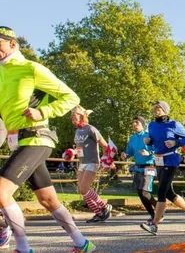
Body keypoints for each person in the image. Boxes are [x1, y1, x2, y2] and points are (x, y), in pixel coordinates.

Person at [0, 26, 95, 252]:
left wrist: (42, 112)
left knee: (1, 193)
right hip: (20, 143)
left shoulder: (31, 68)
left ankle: (23, 248)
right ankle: (82, 243)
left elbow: (71, 97)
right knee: (48, 200)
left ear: (12, 44)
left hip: (37, 139)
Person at [140, 101, 185, 235]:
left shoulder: (174, 124)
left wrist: (175, 142)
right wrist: (149, 143)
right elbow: (154, 143)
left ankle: (154, 224)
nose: (155, 110)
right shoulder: (152, 125)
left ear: (165, 110)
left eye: (158, 108)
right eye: (154, 108)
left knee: (161, 191)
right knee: (168, 193)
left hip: (171, 160)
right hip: (159, 160)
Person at [71, 105, 113, 223]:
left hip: (92, 161)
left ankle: (104, 207)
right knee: (82, 190)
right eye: (72, 115)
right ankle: (99, 213)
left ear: (82, 116)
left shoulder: (91, 129)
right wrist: (72, 153)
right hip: (82, 162)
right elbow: (79, 148)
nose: (72, 117)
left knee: (84, 189)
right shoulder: (78, 131)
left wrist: (107, 162)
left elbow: (105, 145)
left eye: (75, 115)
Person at [121, 116, 157, 223]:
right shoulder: (132, 138)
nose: (134, 124)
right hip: (138, 167)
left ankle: (160, 209)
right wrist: (125, 155)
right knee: (139, 192)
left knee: (145, 191)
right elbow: (130, 152)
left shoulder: (148, 136)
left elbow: (158, 149)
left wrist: (149, 153)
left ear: (142, 124)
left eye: (137, 122)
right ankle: (153, 214)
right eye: (133, 122)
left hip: (149, 166)